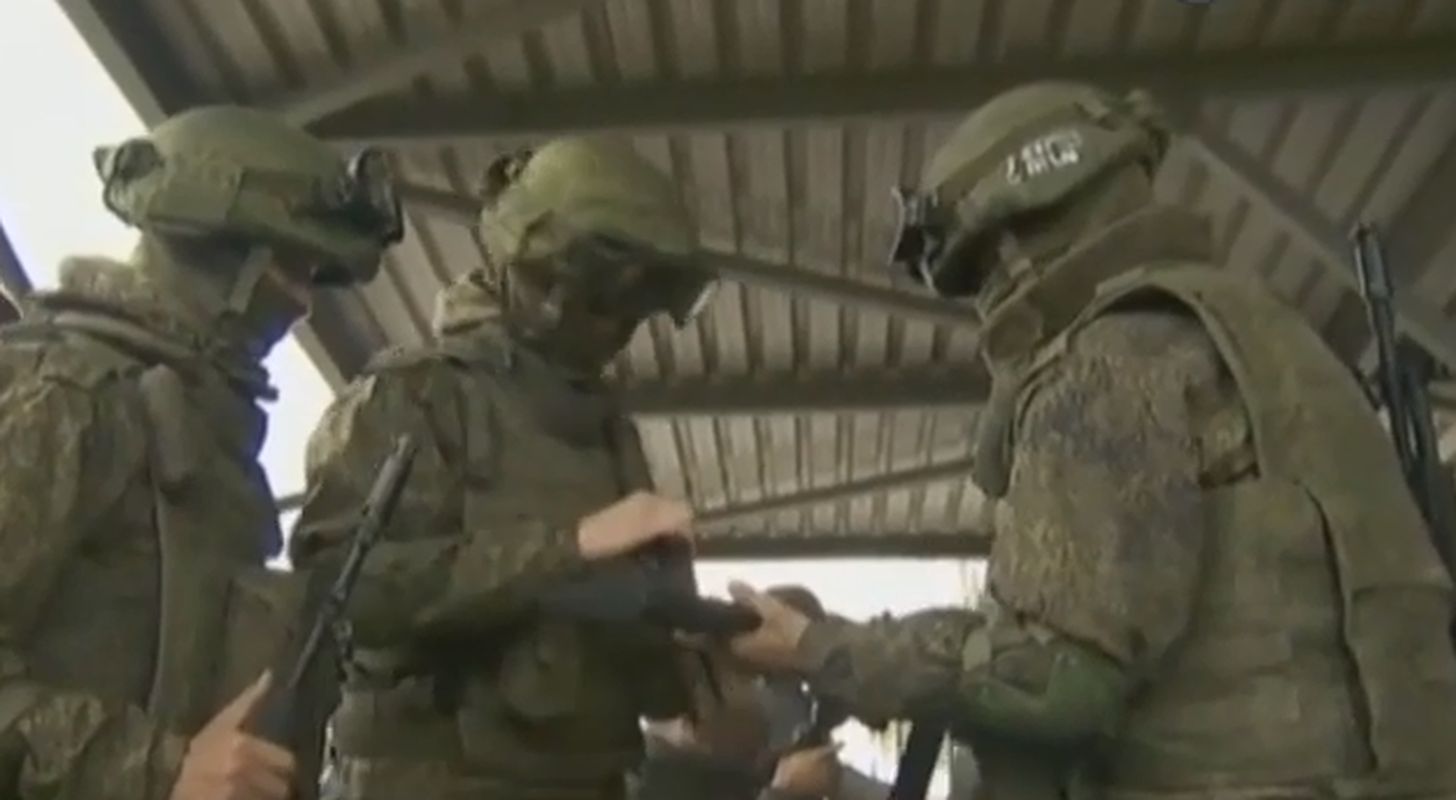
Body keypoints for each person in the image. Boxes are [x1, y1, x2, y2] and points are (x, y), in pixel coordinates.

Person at [725, 81, 1456, 799]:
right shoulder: (1273, 339)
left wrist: (820, 648)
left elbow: (1053, 679)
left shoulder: (1108, 362)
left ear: (1011, 241)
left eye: (976, 270)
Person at [291, 136, 719, 800]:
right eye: (557, 287)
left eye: (622, 309)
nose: (583, 321)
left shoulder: (607, 431)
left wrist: (694, 654)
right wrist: (570, 548)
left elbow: (637, 653)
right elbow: (340, 593)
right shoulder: (416, 396)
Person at [0, 106, 401, 800]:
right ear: (220, 252)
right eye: (290, 266)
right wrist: (158, 768)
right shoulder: (71, 394)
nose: (302, 304)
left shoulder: (203, 433)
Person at [631, 586, 890, 800]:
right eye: (755, 678)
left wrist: (830, 780)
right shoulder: (642, 778)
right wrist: (783, 792)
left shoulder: (750, 766)